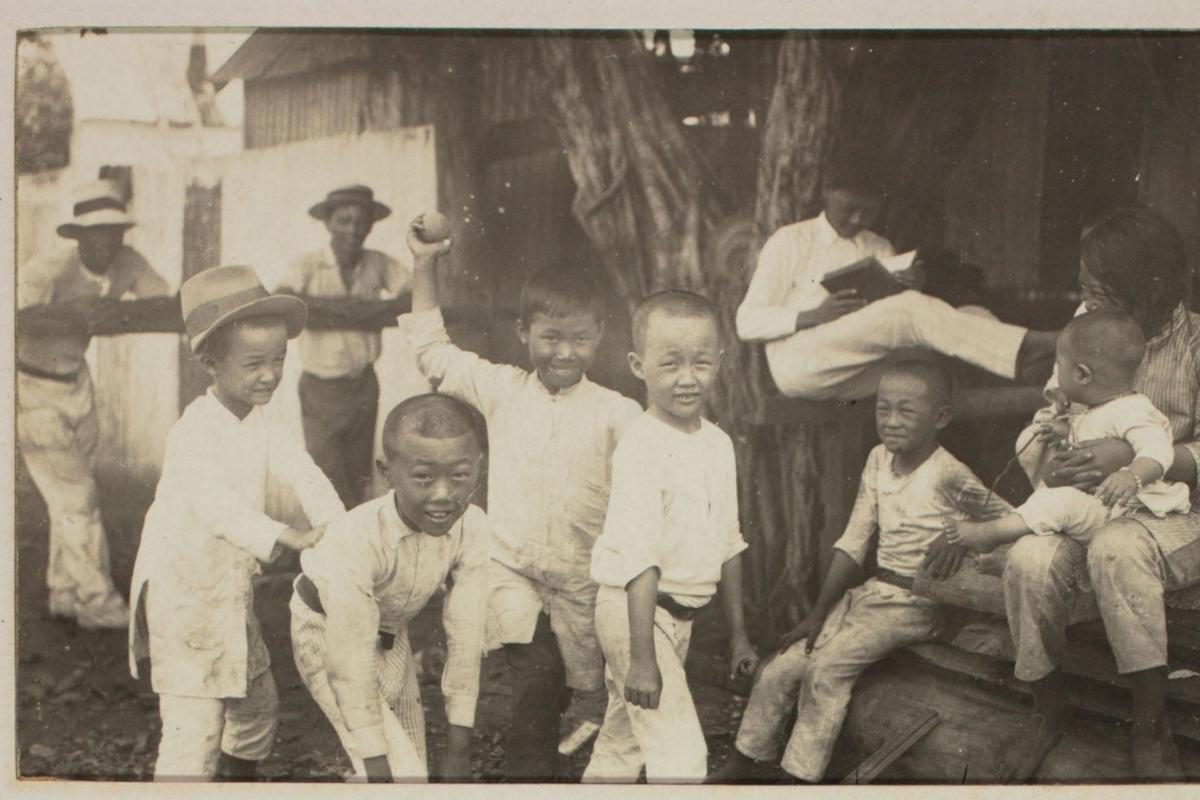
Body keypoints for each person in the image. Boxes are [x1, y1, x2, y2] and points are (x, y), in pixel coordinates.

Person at [398, 216, 642, 781]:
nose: (564, 352)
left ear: (601, 335)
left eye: (579, 338)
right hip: (513, 573)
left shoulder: (618, 415)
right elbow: (432, 350)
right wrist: (423, 263)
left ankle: (555, 759)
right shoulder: (503, 391)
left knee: (575, 693)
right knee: (535, 681)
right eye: (550, 337)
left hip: (585, 585)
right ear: (523, 332)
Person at [710, 361, 1010, 783]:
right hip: (872, 595)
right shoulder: (877, 460)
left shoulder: (949, 474)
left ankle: (797, 779)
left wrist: (963, 535)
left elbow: (1014, 522)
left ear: (940, 418)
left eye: (906, 411)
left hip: (917, 604)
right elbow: (854, 542)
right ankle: (744, 761)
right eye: (882, 409)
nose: (891, 421)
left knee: (825, 669)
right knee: (784, 664)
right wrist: (817, 613)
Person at [998, 206, 1200, 781]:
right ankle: (1047, 706)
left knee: (1118, 549)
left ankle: (1150, 723)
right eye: (1085, 289)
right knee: (1028, 557)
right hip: (1092, 505)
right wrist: (1059, 444)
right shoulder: (1089, 321)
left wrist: (1139, 462)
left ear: (1152, 288)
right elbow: (1057, 400)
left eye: (1101, 290)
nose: (1087, 301)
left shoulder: (1196, 347)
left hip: (1173, 512)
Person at [128, 265, 343, 780]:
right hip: (184, 596)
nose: (268, 374)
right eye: (253, 363)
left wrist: (338, 529)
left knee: (255, 704)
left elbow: (302, 470)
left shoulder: (263, 418)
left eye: (278, 360)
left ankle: (239, 781)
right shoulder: (193, 432)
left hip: (228, 591)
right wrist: (285, 536)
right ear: (210, 362)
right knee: (194, 726)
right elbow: (215, 505)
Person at [583, 290, 759, 783]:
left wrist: (740, 637)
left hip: (675, 620)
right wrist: (641, 658)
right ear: (639, 365)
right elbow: (640, 559)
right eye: (670, 364)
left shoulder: (717, 444)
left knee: (623, 744)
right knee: (681, 756)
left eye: (701, 362)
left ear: (720, 361)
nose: (688, 378)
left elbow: (730, 541)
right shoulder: (641, 447)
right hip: (633, 613)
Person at [290, 393, 490, 783]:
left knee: (414, 768)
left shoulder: (474, 526)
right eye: (423, 477)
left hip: (390, 632)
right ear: (386, 471)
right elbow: (349, 660)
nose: (443, 495)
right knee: (396, 773)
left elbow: (467, 633)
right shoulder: (358, 539)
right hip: (325, 629)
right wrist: (376, 765)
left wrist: (459, 746)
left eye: (460, 475)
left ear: (478, 469)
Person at [734, 162, 1058, 401]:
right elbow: (747, 323)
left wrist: (909, 287)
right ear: (827, 194)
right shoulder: (791, 240)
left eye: (868, 213)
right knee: (907, 311)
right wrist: (812, 315)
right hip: (802, 362)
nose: (858, 220)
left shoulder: (878, 246)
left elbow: (893, 323)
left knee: (968, 313)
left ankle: (1025, 369)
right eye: (850, 209)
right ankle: (1034, 345)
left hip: (862, 367)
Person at [17, 178, 169, 629]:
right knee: (77, 497)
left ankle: (64, 591)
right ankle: (97, 601)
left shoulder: (127, 262)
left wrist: (113, 314)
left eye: (114, 231)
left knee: (70, 498)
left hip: (77, 382)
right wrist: (72, 314)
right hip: (32, 387)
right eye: (96, 232)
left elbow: (162, 302)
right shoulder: (46, 270)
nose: (107, 241)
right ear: (78, 235)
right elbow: (14, 317)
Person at [948, 309, 1190, 553]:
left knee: (1057, 503)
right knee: (1046, 485)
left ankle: (990, 534)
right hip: (1102, 504)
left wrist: (1133, 476)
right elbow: (1095, 436)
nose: (1057, 375)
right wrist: (1064, 432)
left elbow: (1159, 448)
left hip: (1128, 512)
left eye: (1059, 365)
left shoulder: (1134, 410)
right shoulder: (1095, 409)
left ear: (1082, 374)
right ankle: (1015, 536)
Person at [275, 185, 412, 506]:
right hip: (320, 389)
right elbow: (282, 299)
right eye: (344, 220)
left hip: (362, 386)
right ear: (328, 224)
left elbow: (414, 295)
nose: (353, 230)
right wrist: (352, 310)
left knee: (357, 475)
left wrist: (372, 311)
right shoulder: (308, 265)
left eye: (361, 221)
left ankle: (351, 549)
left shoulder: (378, 263)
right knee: (325, 475)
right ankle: (327, 547)